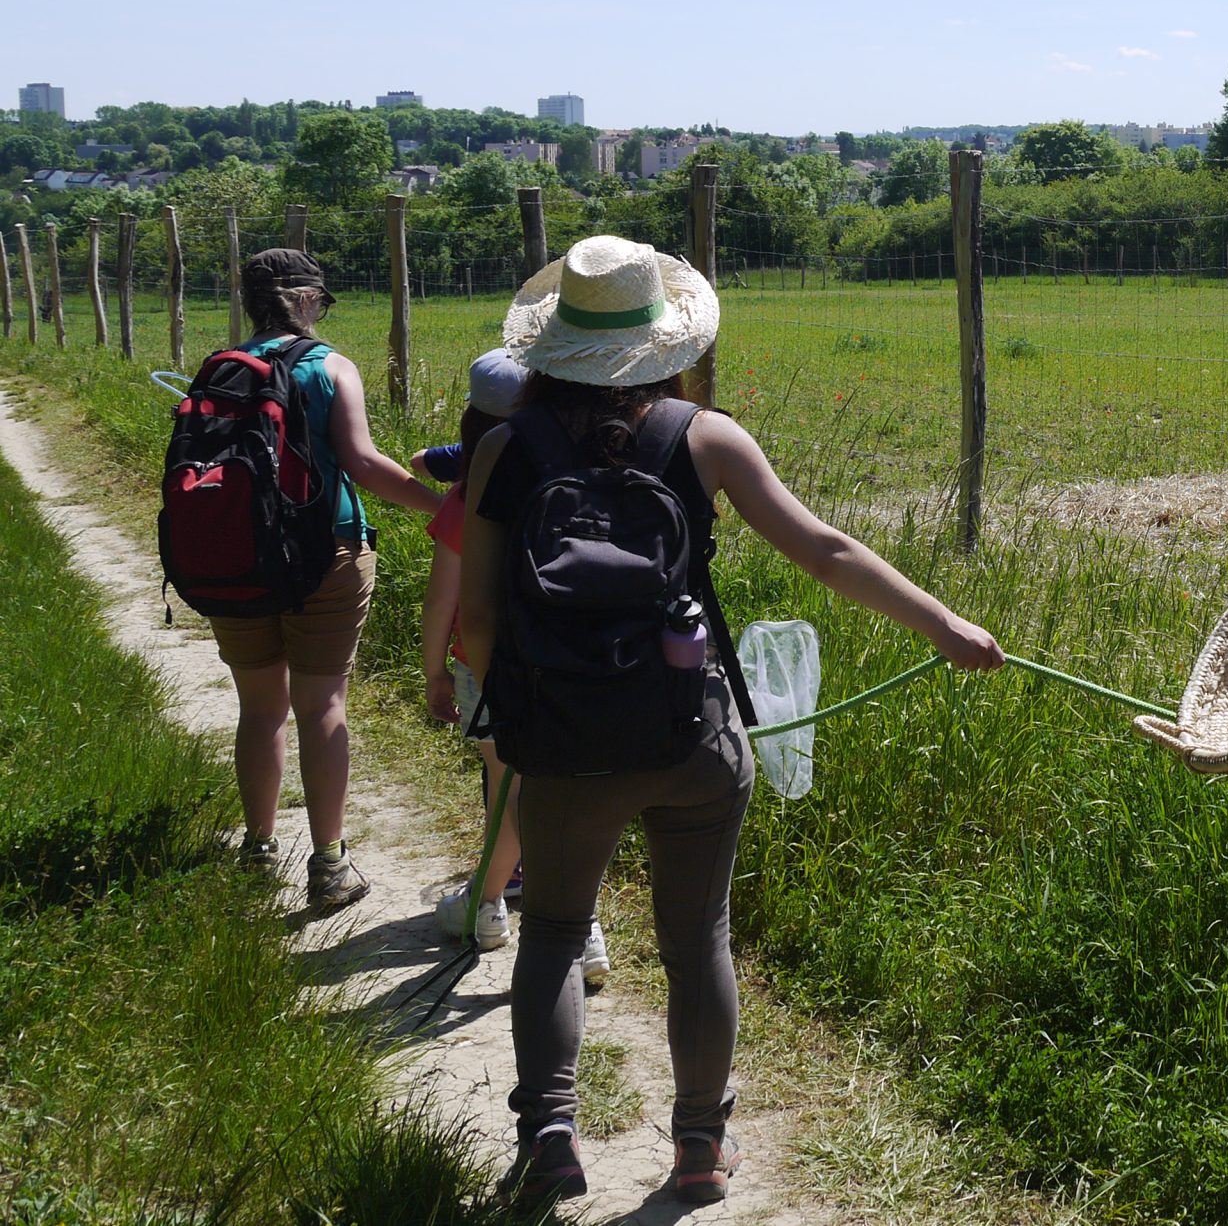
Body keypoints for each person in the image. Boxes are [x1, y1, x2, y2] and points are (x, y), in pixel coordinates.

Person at [455, 236, 1004, 1208]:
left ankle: (548, 1131)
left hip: (563, 747)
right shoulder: (705, 437)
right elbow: (826, 550)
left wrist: (520, 719)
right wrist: (944, 623)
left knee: (549, 931)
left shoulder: (503, 450)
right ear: (662, 344)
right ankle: (702, 1148)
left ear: (553, 346)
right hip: (690, 734)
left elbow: (477, 621)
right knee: (697, 938)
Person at [210, 248, 441, 906]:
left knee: (259, 709)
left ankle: (257, 851)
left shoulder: (221, 369)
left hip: (236, 561)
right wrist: (448, 510)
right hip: (327, 555)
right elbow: (364, 464)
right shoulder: (329, 366)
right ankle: (329, 865)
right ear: (306, 300)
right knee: (322, 708)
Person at [417, 349, 611, 986]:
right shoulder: (587, 483)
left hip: (490, 667)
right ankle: (583, 931)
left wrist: (435, 673)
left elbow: (444, 600)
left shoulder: (466, 498)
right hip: (573, 665)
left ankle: (487, 905)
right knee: (572, 794)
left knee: (511, 791)